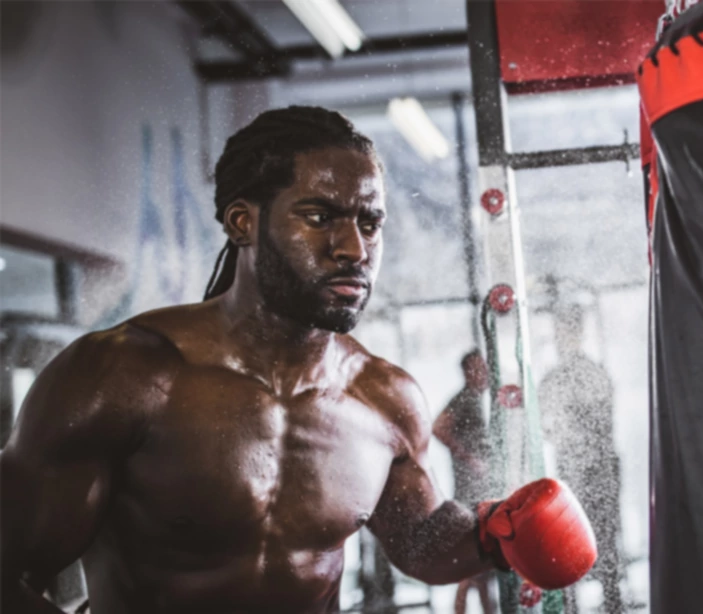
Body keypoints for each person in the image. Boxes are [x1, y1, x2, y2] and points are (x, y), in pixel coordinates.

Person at [0, 106, 595, 614]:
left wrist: (495, 533)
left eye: (370, 222)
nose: (354, 249)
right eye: (319, 217)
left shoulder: (383, 398)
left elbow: (418, 539)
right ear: (243, 222)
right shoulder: (123, 377)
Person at [539, 305, 623, 614]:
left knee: (598, 542)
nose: (564, 337)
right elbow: (545, 427)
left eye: (568, 330)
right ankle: (592, 605)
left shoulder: (584, 374)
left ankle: (607, 603)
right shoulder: (579, 375)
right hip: (578, 473)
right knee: (576, 543)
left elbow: (552, 427)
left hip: (592, 471)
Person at [433, 350, 496, 614]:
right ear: (467, 372)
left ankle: (488, 610)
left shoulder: (479, 400)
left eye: (485, 368)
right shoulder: (464, 399)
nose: (484, 374)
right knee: (473, 561)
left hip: (481, 489)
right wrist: (469, 459)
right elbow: (438, 427)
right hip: (471, 492)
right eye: (478, 369)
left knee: (481, 563)